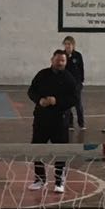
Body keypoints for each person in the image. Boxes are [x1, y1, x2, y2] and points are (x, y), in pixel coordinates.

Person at [28, 50, 79, 194]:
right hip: (41, 120)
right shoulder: (42, 74)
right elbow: (31, 90)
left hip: (60, 122)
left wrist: (57, 101)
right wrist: (39, 100)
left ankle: (59, 181)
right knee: (37, 149)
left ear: (65, 62)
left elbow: (74, 99)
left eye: (63, 61)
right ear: (52, 60)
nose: (60, 63)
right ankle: (39, 179)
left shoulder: (69, 79)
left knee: (60, 151)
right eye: (57, 60)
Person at [63, 36, 86, 131]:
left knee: (78, 104)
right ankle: (70, 123)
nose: (68, 46)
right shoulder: (62, 55)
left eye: (69, 44)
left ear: (73, 45)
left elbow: (81, 69)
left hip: (76, 84)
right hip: (65, 84)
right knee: (68, 105)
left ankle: (81, 123)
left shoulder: (78, 55)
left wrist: (81, 82)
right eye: (66, 44)